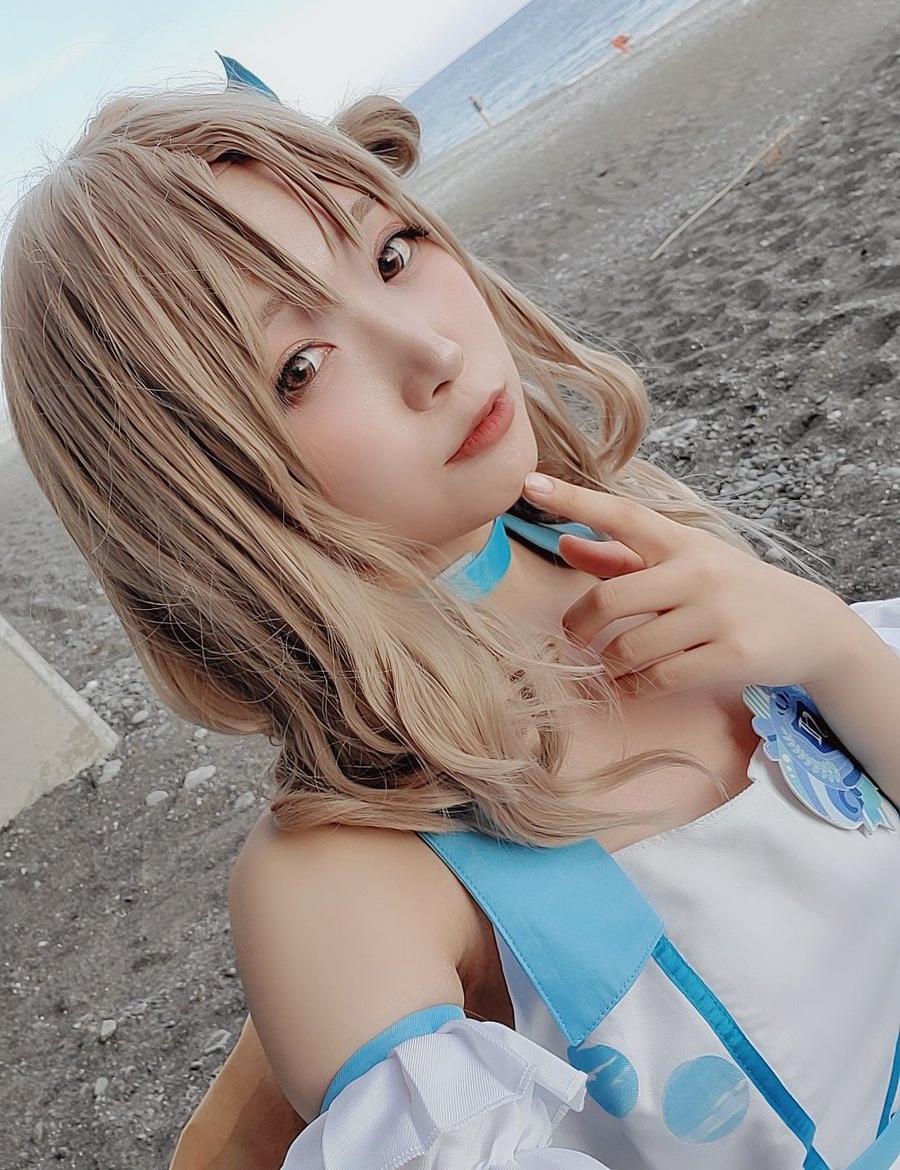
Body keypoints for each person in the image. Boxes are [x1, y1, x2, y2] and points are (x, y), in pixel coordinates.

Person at [2, 58, 898, 1170]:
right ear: (190, 486)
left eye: (391, 253)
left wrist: (834, 647)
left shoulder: (640, 546)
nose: (431, 354)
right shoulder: (348, 876)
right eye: (300, 366)